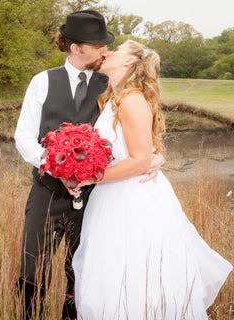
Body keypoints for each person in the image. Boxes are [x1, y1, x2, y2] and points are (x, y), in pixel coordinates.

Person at [14, 10, 163, 320]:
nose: (104, 51)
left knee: (80, 272)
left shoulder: (111, 86)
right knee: (32, 268)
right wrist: (58, 167)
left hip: (95, 199)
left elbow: (136, 134)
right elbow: (24, 137)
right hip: (47, 193)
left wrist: (156, 156)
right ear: (75, 47)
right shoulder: (42, 82)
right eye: (98, 45)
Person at [72, 39, 233, 319]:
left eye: (117, 50)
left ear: (128, 62)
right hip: (111, 199)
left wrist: (91, 177)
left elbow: (140, 160)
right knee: (111, 274)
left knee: (135, 276)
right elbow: (143, 151)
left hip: (133, 200)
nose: (108, 52)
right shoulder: (113, 97)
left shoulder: (132, 100)